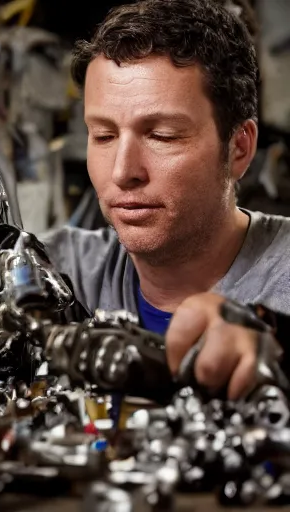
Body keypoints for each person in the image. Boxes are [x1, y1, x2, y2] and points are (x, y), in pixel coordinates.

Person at [40, 0, 290, 400]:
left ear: (239, 149)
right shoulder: (62, 274)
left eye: (162, 136)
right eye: (103, 136)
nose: (123, 171)